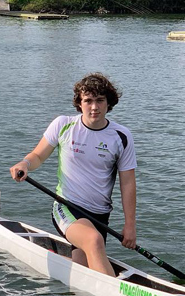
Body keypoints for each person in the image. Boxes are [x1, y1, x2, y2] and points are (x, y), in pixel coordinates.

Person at [9, 73, 137, 277]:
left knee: (82, 276)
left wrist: (130, 225)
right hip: (67, 206)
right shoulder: (63, 125)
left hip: (100, 215)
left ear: (108, 103)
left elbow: (128, 183)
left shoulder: (121, 136)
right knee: (93, 241)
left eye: (100, 100)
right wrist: (24, 163)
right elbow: (38, 156)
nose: (94, 107)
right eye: (88, 101)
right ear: (79, 103)